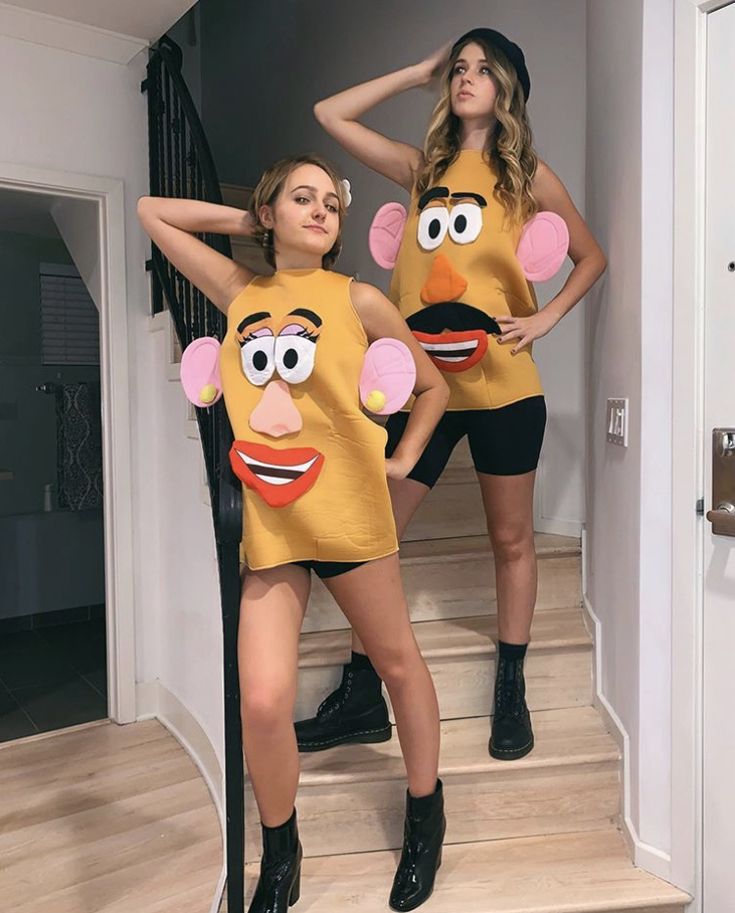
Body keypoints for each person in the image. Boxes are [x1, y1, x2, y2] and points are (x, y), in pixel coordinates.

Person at [137, 154, 449, 912]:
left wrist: (403, 458)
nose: (319, 211)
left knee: (399, 667)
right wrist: (249, 218)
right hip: (274, 526)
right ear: (271, 214)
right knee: (265, 700)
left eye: (329, 205)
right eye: (299, 199)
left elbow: (434, 384)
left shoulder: (359, 299)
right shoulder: (239, 290)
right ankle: (281, 848)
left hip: (349, 519)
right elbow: (150, 211)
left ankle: (424, 814)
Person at [298, 28, 607, 761]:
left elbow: (591, 255)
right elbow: (329, 115)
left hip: (502, 385)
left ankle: (509, 682)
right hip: (421, 393)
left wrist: (543, 317)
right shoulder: (419, 170)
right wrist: (414, 72)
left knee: (510, 540)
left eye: (480, 69)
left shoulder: (526, 175)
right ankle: (361, 691)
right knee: (372, 535)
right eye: (457, 69)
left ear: (506, 87)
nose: (465, 78)